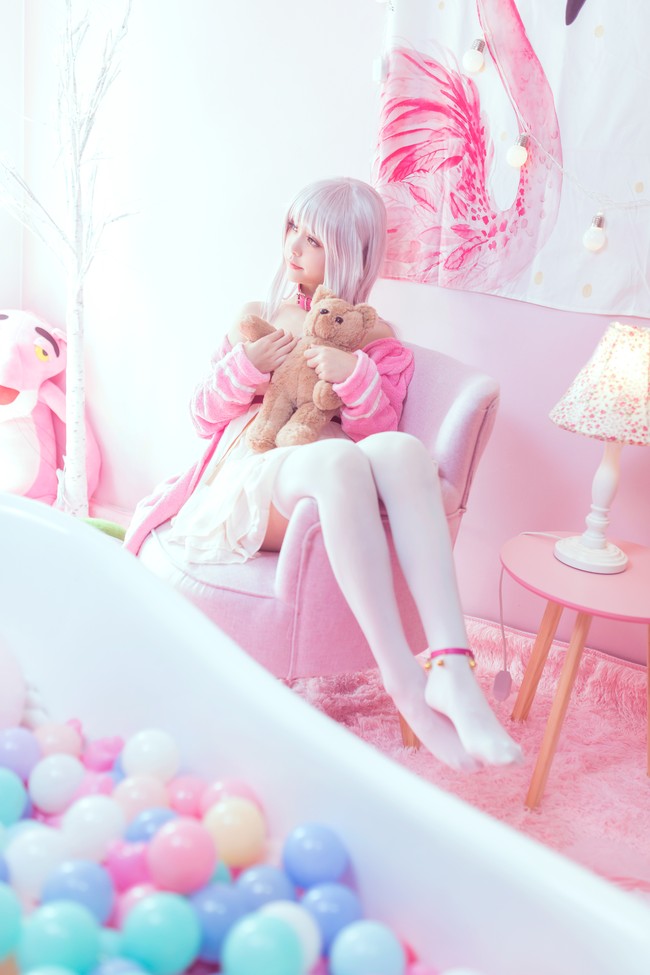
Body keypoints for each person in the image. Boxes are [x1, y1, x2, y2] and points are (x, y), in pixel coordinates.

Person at [124, 177, 522, 771]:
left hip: (321, 479)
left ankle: (451, 668)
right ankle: (403, 681)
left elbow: (375, 434)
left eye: (314, 240)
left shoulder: (376, 341)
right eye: (293, 228)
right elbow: (201, 416)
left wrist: (351, 375)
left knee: (404, 452)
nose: (294, 246)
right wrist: (246, 367)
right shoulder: (259, 318)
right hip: (247, 479)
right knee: (338, 461)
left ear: (351, 255)